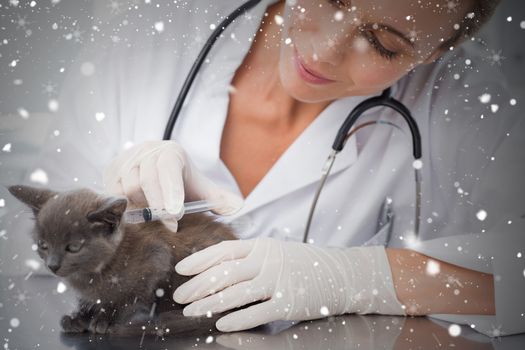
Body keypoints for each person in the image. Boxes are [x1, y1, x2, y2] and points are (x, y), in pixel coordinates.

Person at [6, 0, 524, 337]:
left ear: (437, 50)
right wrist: (103, 212)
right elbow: (21, 264)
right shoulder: (150, 34)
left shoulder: (475, 112)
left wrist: (364, 278)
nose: (323, 48)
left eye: (386, 44)